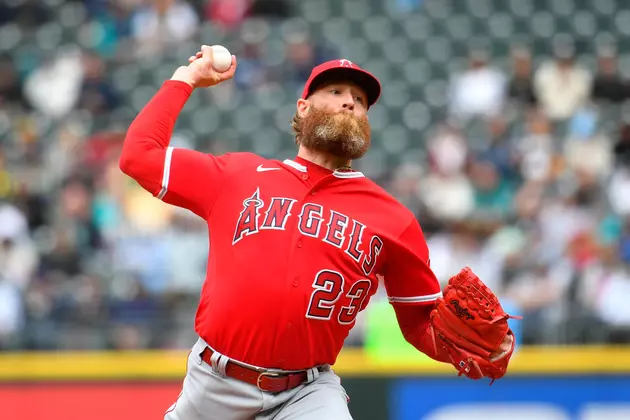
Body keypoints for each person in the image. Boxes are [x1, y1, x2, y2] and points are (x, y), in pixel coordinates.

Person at [119, 45, 515, 420]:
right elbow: (139, 155)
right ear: (303, 108)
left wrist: (470, 350)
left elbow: (419, 324)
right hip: (214, 384)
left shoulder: (394, 220)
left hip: (306, 392)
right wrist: (185, 77)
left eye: (360, 101)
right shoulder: (237, 176)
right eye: (336, 91)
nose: (350, 102)